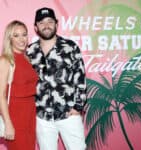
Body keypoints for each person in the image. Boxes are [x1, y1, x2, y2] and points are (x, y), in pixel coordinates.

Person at [26, 7, 87, 150]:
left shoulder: (70, 47)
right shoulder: (29, 51)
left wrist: (78, 107)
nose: (46, 25)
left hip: (69, 114)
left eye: (50, 21)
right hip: (42, 117)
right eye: (41, 22)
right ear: (36, 27)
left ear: (56, 24)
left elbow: (80, 78)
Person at [0, 20, 38, 150]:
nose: (22, 39)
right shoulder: (6, 60)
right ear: (9, 39)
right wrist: (8, 123)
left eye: (24, 34)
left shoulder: (27, 59)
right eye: (16, 36)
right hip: (16, 116)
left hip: (30, 114)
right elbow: (1, 95)